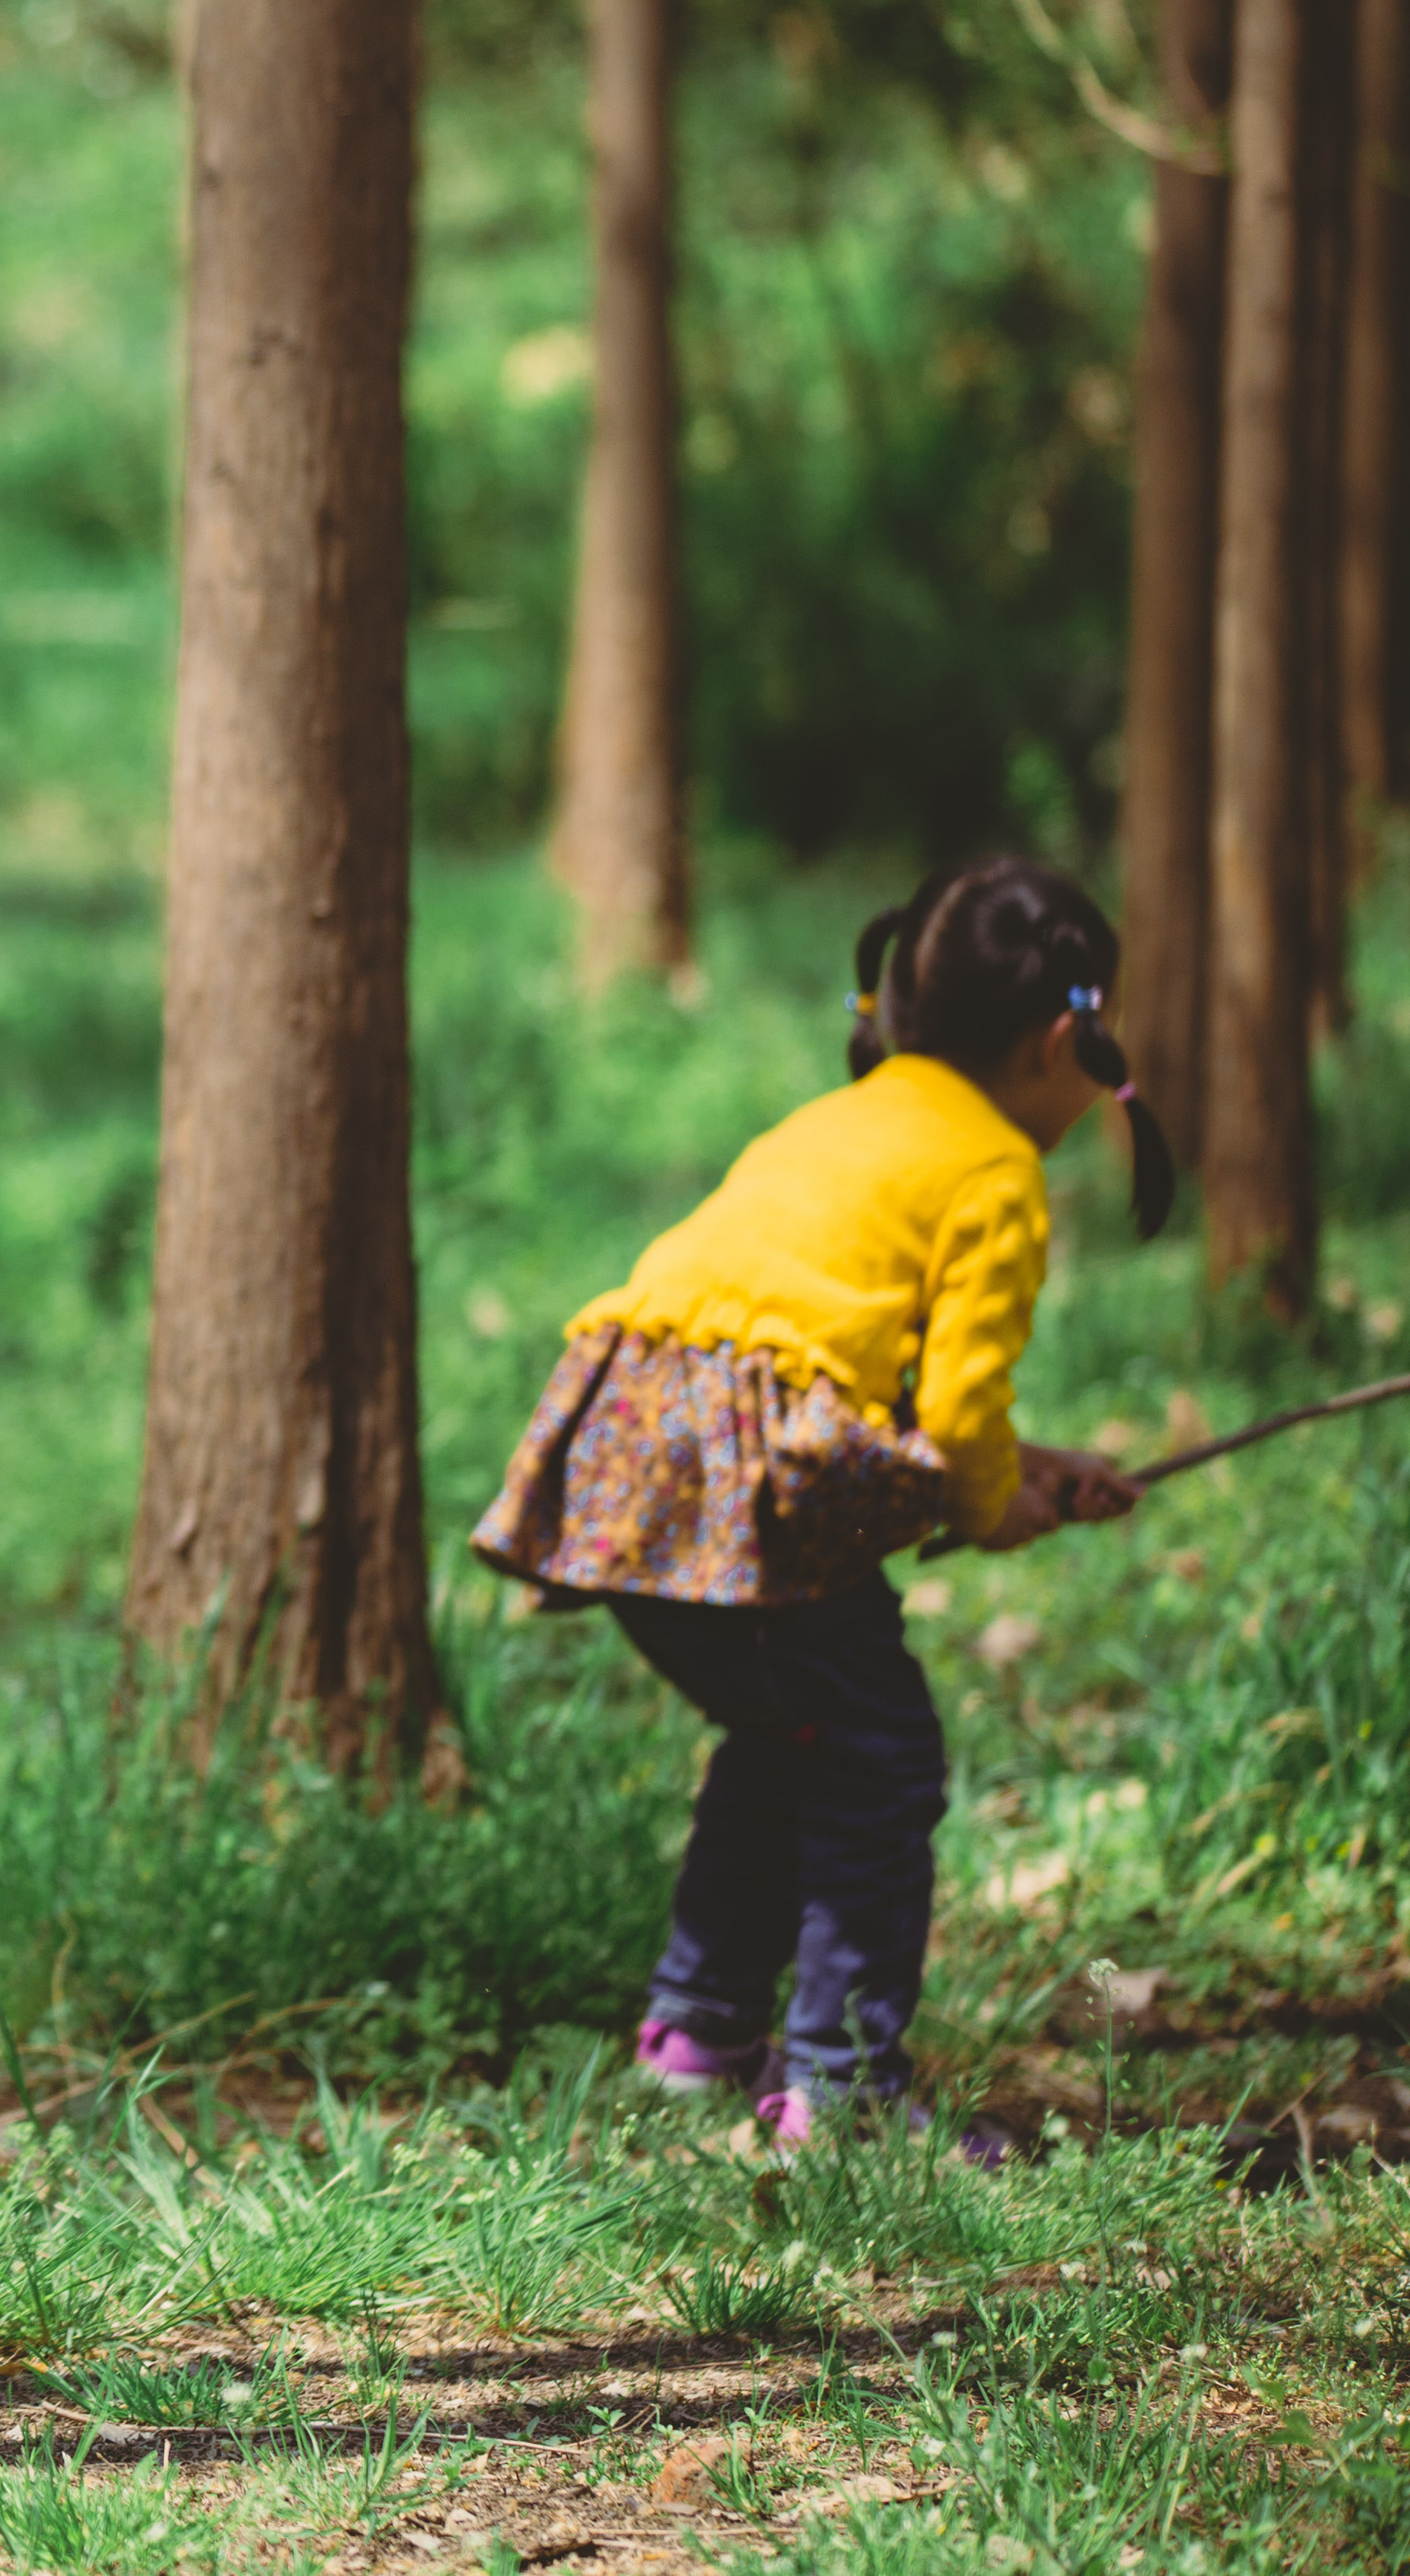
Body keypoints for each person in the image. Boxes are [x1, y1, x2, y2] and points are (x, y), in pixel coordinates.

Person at [472, 857, 1173, 2155]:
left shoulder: (839, 1116)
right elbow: (957, 1418)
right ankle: (844, 2093)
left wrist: (1025, 1464)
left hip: (627, 1454)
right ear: (1066, 1037)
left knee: (792, 1732)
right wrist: (995, 1494)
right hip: (738, 1487)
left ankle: (699, 2037)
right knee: (878, 1756)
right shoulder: (996, 1172)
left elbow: (823, 1364)